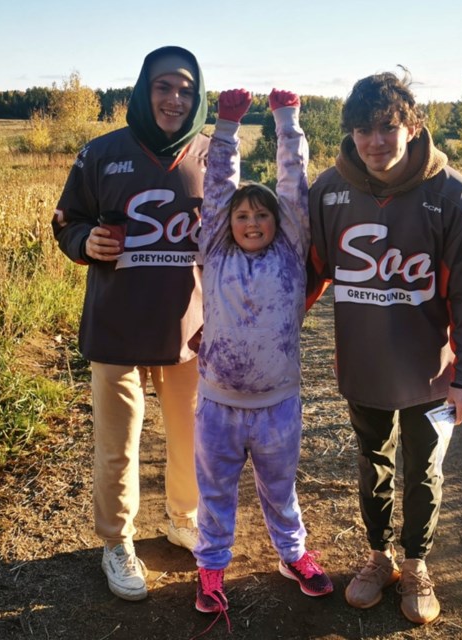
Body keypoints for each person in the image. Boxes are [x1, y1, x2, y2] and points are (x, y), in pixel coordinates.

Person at [308, 69, 462, 625]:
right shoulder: (328, 191)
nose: (375, 142)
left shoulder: (452, 195)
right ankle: (377, 556)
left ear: (412, 126)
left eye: (387, 127)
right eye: (363, 130)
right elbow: (308, 272)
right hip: (362, 364)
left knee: (424, 468)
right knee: (373, 462)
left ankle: (415, 562)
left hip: (430, 372)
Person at [51, 45, 209, 602]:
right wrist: (82, 242)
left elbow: (241, 230)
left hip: (187, 327)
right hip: (116, 322)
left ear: (198, 96)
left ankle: (182, 518)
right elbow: (67, 221)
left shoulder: (214, 155)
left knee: (190, 434)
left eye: (186, 89)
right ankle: (116, 541)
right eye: (164, 86)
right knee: (117, 442)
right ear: (144, 91)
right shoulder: (100, 153)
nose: (174, 98)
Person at [191, 87, 334, 623]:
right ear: (227, 224)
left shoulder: (292, 252)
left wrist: (286, 120)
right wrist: (226, 128)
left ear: (278, 223)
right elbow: (218, 186)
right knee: (216, 492)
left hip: (278, 406)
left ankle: (292, 555)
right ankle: (210, 567)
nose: (252, 222)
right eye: (242, 216)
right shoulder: (216, 248)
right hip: (218, 406)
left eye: (262, 216)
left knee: (280, 490)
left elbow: (294, 184)